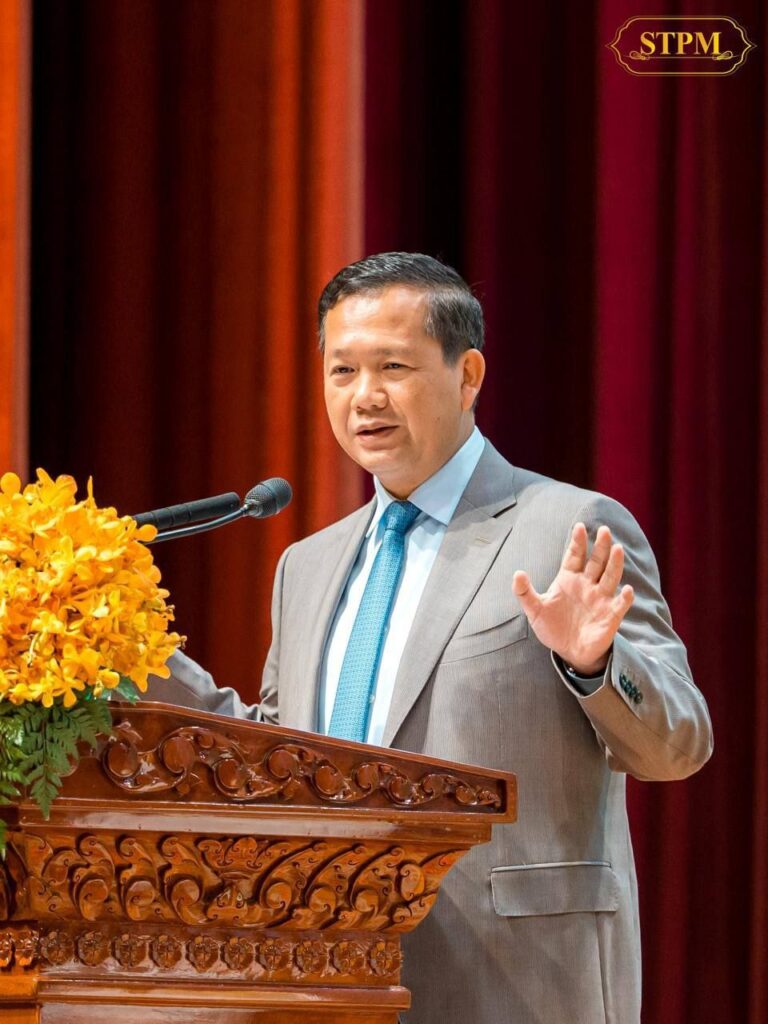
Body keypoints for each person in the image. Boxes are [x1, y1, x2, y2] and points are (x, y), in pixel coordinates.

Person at [164, 252, 713, 1024]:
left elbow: (679, 746)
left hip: (516, 982)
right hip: (331, 976)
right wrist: (137, 659)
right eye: (342, 370)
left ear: (468, 376)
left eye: (393, 366)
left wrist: (594, 664)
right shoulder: (308, 566)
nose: (365, 396)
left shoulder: (567, 526)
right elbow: (281, 755)